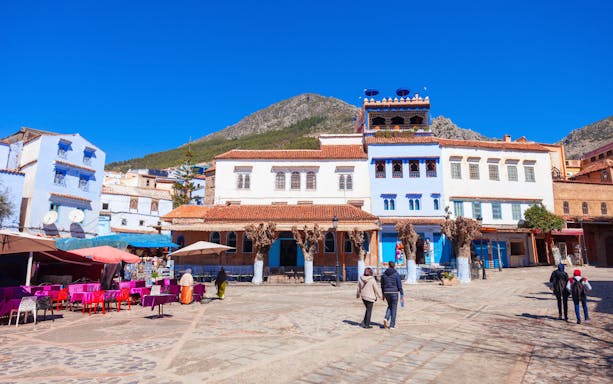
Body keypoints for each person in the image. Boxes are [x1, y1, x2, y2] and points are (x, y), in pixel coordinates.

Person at [381, 261, 404, 329]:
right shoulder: (396, 274)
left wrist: (383, 294)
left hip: (386, 292)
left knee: (390, 306)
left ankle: (386, 318)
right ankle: (392, 325)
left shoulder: (384, 274)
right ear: (394, 266)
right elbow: (399, 284)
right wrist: (401, 293)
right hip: (394, 292)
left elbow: (382, 285)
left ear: (388, 265)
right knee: (394, 308)